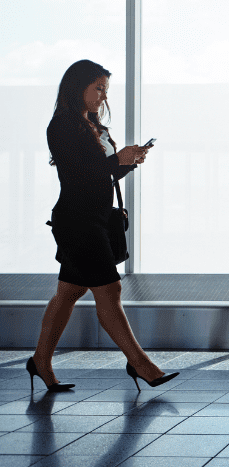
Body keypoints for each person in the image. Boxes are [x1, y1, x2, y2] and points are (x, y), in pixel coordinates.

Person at [27, 59, 178, 392]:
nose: (103, 97)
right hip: (78, 222)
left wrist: (128, 161)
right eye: (98, 88)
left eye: (105, 90)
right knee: (109, 290)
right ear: (76, 86)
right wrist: (117, 160)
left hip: (94, 217)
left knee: (69, 292)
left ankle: (40, 361)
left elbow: (103, 174)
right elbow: (80, 176)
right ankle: (142, 366)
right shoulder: (62, 126)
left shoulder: (94, 126)